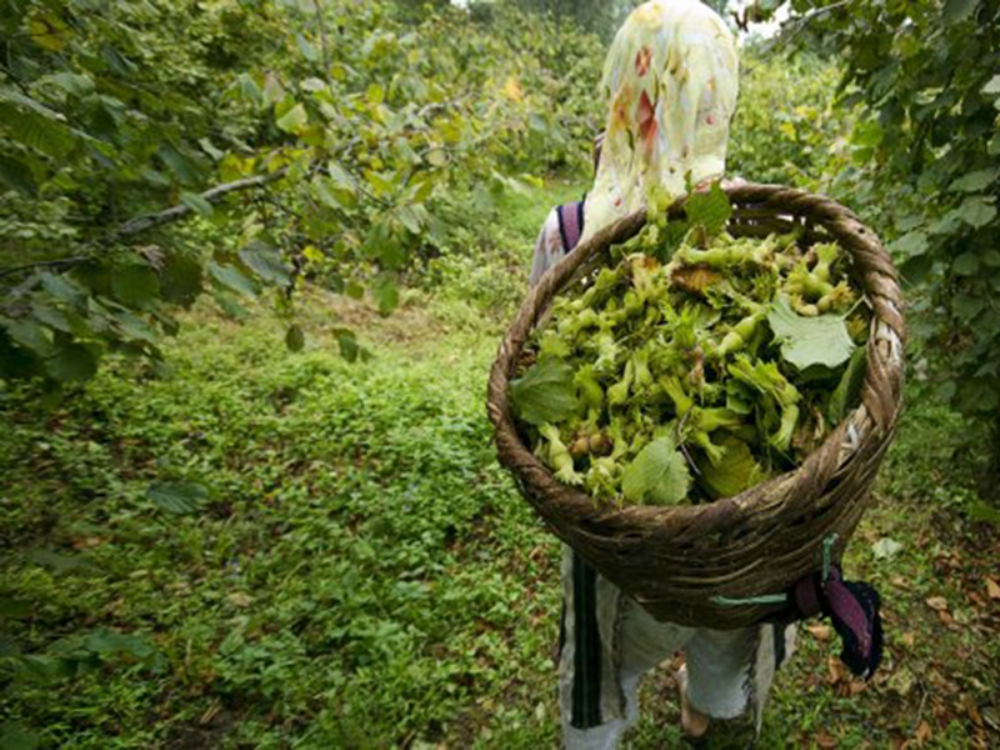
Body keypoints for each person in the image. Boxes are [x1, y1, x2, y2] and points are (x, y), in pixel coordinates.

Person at [528, 2, 796, 746]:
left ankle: (664, 714)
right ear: (719, 97)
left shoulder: (569, 230)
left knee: (607, 662)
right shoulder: (755, 220)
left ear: (622, 91)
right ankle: (700, 709)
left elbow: (533, 368)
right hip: (734, 530)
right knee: (722, 640)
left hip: (618, 533)